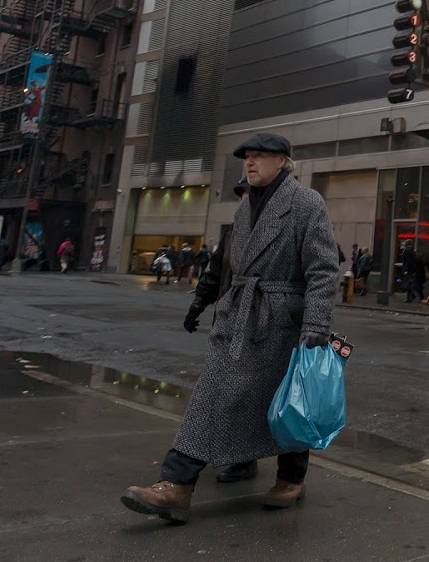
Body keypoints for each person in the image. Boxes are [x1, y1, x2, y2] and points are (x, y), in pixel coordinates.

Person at [122, 133, 341, 522]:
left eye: (258, 156)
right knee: (213, 392)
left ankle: (292, 477)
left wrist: (316, 324)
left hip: (282, 321)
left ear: (281, 162)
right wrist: (205, 304)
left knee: (290, 402)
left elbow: (323, 269)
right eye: (247, 157)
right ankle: (177, 484)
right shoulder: (244, 210)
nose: (250, 163)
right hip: (240, 317)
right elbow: (229, 265)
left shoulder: (307, 204)